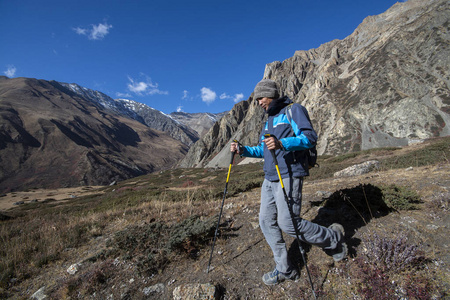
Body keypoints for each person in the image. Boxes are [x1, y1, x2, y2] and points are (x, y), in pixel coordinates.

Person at [231, 79, 347, 285]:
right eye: (257, 99)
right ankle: (284, 269)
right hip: (269, 177)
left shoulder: (293, 110)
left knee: (288, 223)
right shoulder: (268, 120)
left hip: (290, 175)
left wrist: (282, 143)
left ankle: (333, 239)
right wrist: (243, 150)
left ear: (272, 95)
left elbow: (310, 138)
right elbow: (263, 150)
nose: (259, 103)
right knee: (266, 222)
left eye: (261, 98)